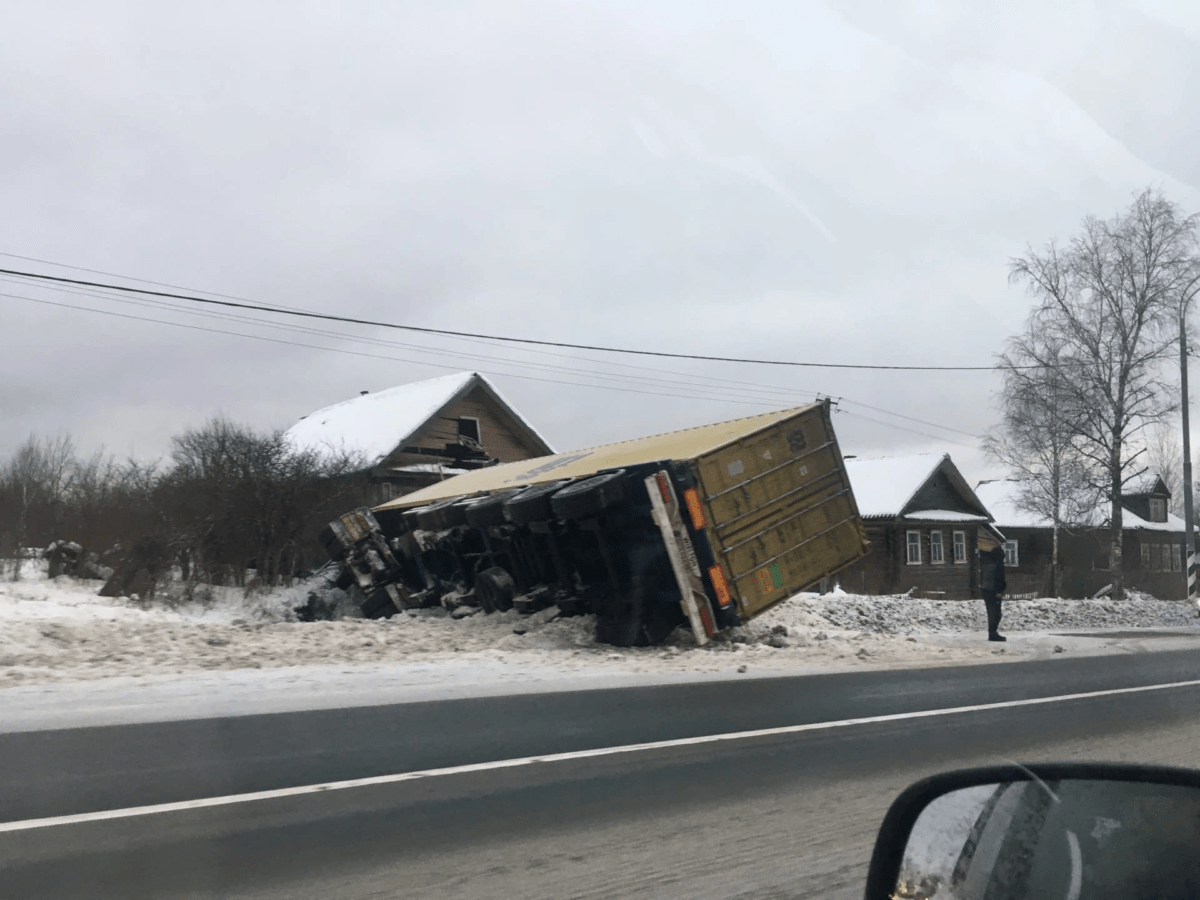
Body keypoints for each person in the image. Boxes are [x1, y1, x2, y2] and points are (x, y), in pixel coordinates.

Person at [979, 537, 1007, 642]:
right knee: (995, 614)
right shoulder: (997, 564)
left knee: (992, 613)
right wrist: (1000, 591)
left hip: (986, 589)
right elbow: (999, 578)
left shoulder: (987, 561)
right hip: (993, 591)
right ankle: (993, 634)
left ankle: (993, 633)